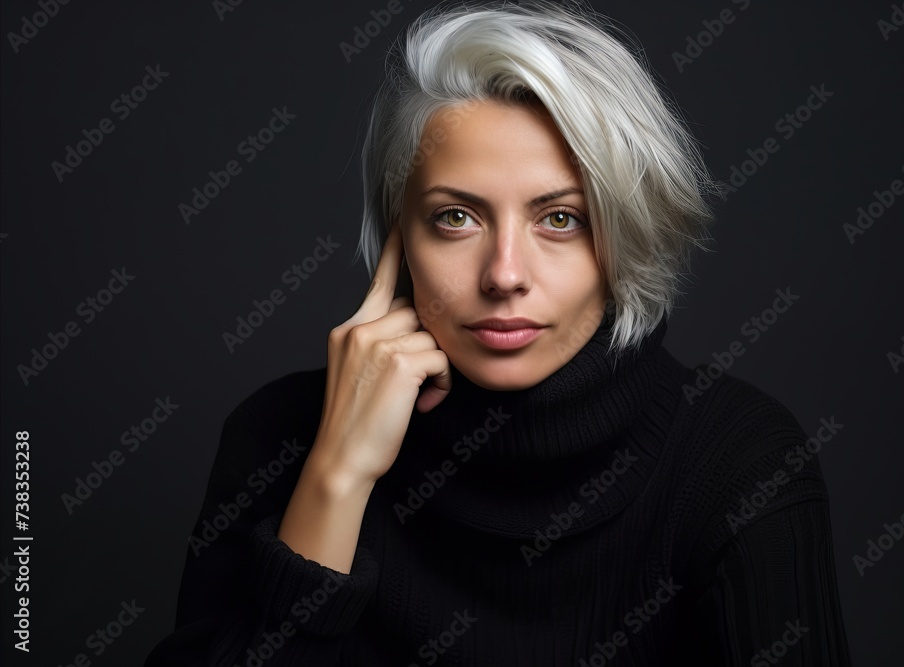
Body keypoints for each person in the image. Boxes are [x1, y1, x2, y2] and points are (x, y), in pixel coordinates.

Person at [146, 1, 853, 664]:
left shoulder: (740, 462)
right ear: (398, 239)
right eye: (456, 217)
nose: (504, 274)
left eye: (560, 219)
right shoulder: (279, 435)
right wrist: (336, 476)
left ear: (626, 239)